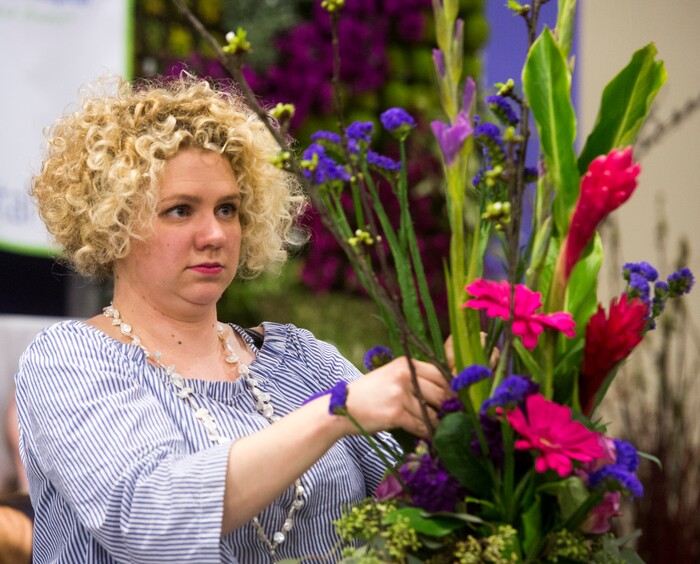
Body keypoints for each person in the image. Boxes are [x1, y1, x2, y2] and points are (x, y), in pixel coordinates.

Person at [15, 75, 451, 563]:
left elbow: (411, 505)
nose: (215, 234)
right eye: (180, 211)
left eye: (228, 209)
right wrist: (333, 413)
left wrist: (466, 417)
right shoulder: (70, 360)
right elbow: (147, 519)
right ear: (112, 223)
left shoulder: (302, 360)